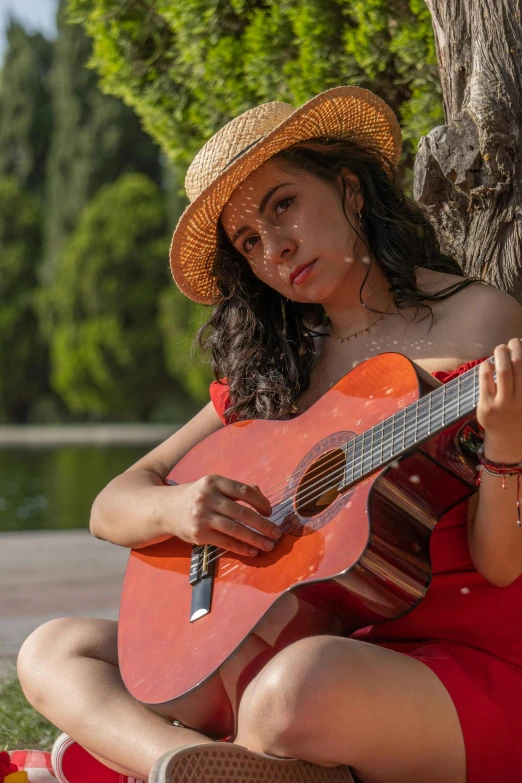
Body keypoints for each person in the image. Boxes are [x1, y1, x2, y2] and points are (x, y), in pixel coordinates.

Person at [17, 86, 522, 783]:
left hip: (448, 661)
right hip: (307, 636)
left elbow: (501, 566)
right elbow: (112, 505)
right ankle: (174, 766)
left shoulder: (480, 324)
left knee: (283, 697)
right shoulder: (276, 368)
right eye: (249, 241)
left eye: (283, 204)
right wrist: (178, 507)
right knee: (52, 648)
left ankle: (145, 759)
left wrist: (509, 446)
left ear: (348, 189)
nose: (276, 247)